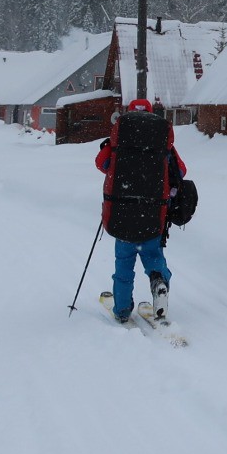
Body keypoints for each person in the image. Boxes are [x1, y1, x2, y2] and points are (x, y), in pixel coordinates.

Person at [95, 97, 187, 322]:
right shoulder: (161, 144)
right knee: (153, 257)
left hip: (122, 214)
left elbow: (101, 164)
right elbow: (181, 172)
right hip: (152, 215)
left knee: (123, 266)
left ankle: (123, 310)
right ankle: (159, 284)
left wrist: (114, 147)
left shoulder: (120, 141)